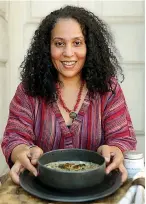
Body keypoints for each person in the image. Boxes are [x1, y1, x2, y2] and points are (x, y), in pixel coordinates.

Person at [1, 5, 137, 185]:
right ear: (47, 47)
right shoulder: (28, 90)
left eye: (77, 43)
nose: (68, 53)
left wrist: (115, 149)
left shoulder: (108, 89)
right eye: (59, 43)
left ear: (90, 47)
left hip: (96, 189)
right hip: (40, 188)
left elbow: (123, 138)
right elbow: (14, 136)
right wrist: (21, 151)